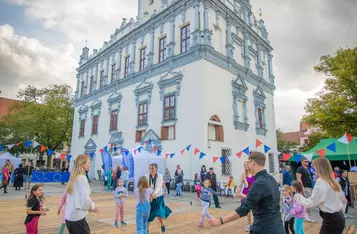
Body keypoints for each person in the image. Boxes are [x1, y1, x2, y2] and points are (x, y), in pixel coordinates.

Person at [208, 151, 285, 234]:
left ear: (253, 163)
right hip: (278, 227)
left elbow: (244, 208)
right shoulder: (272, 179)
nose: (247, 166)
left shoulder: (259, 183)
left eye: (248, 163)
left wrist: (221, 220)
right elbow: (266, 200)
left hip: (264, 228)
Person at [295, 157, 346, 234]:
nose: (313, 169)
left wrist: (297, 196)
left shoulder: (321, 182)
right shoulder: (333, 181)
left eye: (314, 167)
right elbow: (344, 201)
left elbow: (311, 202)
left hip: (331, 219)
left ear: (319, 168)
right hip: (339, 217)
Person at [65, 154, 99, 234]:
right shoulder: (81, 178)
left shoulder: (73, 177)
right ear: (82, 164)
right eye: (88, 162)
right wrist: (93, 207)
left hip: (70, 217)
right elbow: (85, 198)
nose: (89, 165)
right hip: (77, 217)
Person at [146, 163, 172, 233]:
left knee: (159, 213)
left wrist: (154, 194)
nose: (151, 170)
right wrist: (149, 194)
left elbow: (158, 187)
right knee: (149, 213)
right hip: (150, 198)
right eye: (150, 168)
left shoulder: (160, 176)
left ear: (156, 169)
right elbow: (146, 186)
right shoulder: (147, 176)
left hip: (158, 197)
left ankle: (162, 225)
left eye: (153, 168)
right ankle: (147, 229)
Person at [235, 160, 254, 231]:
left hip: (254, 193)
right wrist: (236, 193)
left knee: (255, 210)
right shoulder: (243, 175)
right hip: (246, 193)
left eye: (247, 165)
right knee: (248, 211)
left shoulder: (255, 174)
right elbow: (240, 185)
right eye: (244, 165)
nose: (246, 166)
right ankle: (249, 225)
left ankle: (255, 224)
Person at [296, 157, 314, 222]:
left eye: (307, 161)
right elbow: (299, 179)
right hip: (305, 187)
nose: (306, 163)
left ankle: (308, 216)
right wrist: (302, 187)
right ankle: (306, 216)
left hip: (309, 187)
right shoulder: (300, 169)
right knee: (307, 202)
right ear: (301, 162)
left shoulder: (308, 169)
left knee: (309, 202)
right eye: (305, 161)